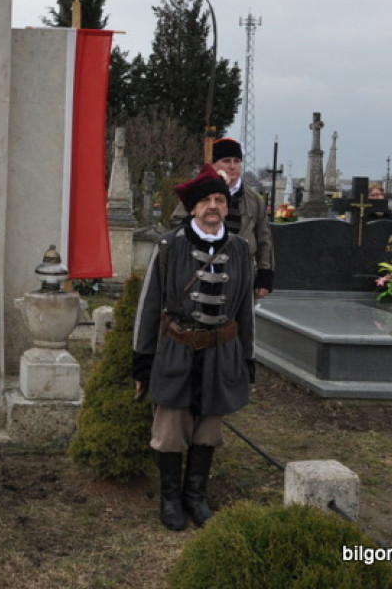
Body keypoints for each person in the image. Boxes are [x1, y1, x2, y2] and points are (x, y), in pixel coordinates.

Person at [134, 163, 255, 530]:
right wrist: (142, 361)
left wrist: (247, 359)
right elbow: (149, 306)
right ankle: (170, 499)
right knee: (170, 429)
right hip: (177, 349)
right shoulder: (169, 246)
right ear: (192, 208)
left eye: (219, 199)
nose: (213, 206)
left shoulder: (240, 250)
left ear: (226, 206)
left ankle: (195, 497)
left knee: (209, 429)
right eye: (205, 201)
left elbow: (245, 311)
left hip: (222, 352)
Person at [172, 137, 274, 299]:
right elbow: (177, 224)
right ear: (214, 165)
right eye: (226, 161)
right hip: (201, 268)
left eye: (237, 161)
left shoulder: (254, 200)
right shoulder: (199, 191)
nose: (232, 166)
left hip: (240, 272)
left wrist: (264, 275)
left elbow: (264, 239)